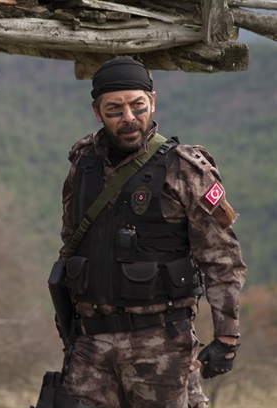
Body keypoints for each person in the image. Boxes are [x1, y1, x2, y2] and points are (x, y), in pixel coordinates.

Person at [56, 55, 246, 407]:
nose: (128, 117)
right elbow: (70, 244)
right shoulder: (83, 165)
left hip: (161, 344)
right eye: (114, 109)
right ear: (97, 112)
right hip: (91, 345)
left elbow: (221, 258)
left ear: (153, 102)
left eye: (137, 105)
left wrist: (227, 337)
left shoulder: (185, 169)